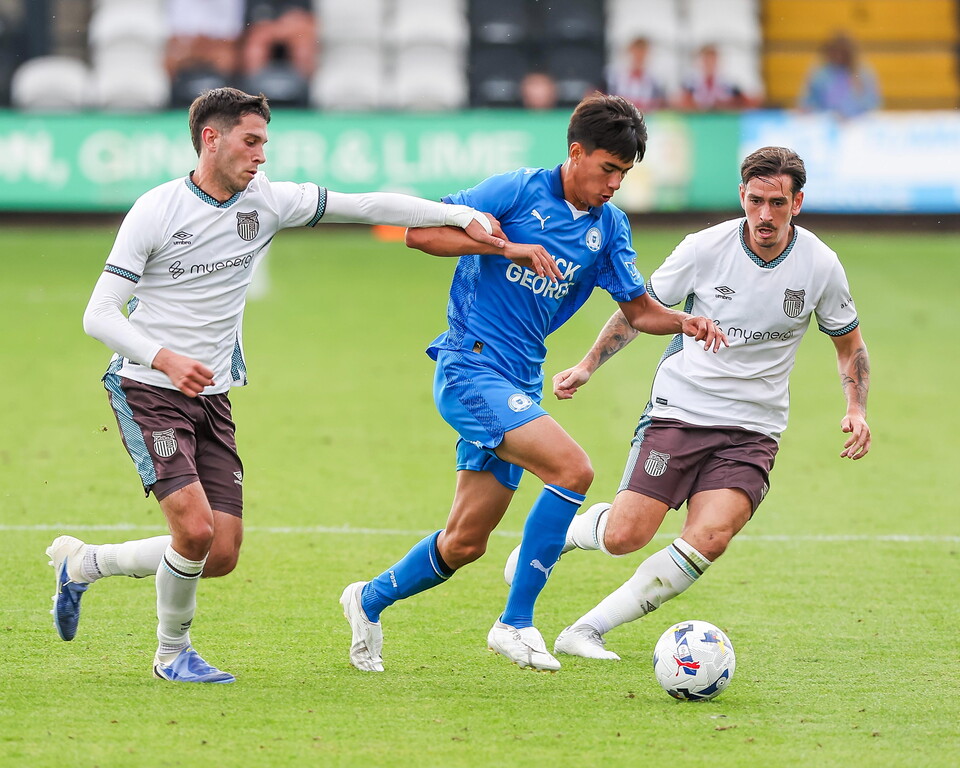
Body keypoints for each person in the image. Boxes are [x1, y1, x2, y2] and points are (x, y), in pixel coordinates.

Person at [45, 87, 508, 684]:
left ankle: (86, 564)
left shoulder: (266, 201)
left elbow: (365, 205)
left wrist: (455, 214)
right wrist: (165, 357)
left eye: (265, 142)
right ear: (212, 139)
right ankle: (171, 655)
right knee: (193, 529)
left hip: (211, 394)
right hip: (145, 385)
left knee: (220, 552)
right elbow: (99, 314)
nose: (262, 154)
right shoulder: (155, 210)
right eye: (251, 141)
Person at [339, 93, 728, 674]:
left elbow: (640, 310)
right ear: (576, 152)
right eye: (608, 169)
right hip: (470, 368)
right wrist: (506, 244)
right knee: (573, 470)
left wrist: (684, 321)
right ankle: (515, 624)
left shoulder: (610, 227)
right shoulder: (517, 191)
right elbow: (419, 234)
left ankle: (366, 601)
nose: (615, 183)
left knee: (464, 542)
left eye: (624, 173)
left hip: (520, 382)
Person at [504, 146, 871, 661]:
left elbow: (849, 345)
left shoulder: (821, 265)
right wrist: (587, 365)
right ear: (742, 194)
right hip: (680, 412)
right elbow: (639, 311)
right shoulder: (704, 248)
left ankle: (586, 630)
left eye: (778, 204)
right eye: (756, 200)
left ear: (798, 202)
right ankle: (562, 534)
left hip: (754, 429)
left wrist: (855, 408)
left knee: (709, 537)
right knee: (625, 536)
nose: (765, 215)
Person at [798, 32, 880, 117]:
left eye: (843, 54)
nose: (838, 57)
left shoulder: (862, 72)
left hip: (856, 123)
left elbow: (872, 103)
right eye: (835, 53)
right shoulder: (820, 71)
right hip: (824, 121)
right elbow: (807, 101)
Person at [675, 44, 760, 111]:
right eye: (706, 61)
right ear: (699, 63)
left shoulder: (729, 83)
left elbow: (749, 102)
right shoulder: (690, 83)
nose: (710, 65)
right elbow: (679, 103)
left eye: (713, 61)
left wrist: (728, 104)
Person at [606, 37, 669, 113]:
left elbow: (661, 105)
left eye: (642, 55)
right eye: (636, 54)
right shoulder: (614, 77)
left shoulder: (655, 81)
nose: (639, 58)